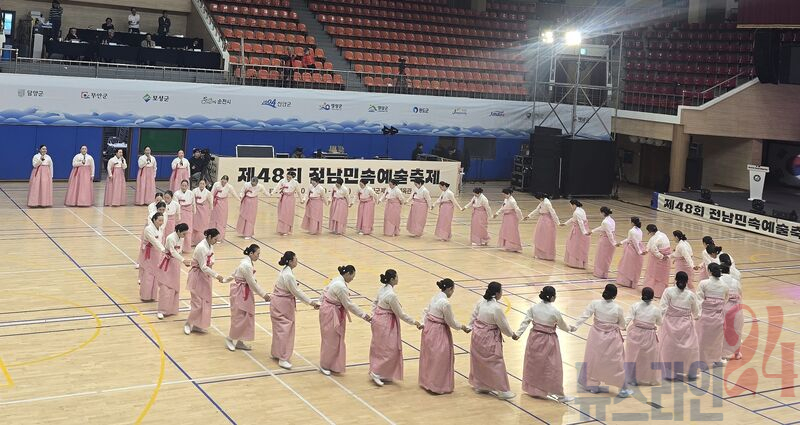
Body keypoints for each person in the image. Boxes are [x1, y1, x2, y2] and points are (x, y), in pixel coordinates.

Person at [515, 286, 575, 402]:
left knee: (534, 364)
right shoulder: (554, 311)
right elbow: (563, 326)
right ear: (552, 297)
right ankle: (559, 394)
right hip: (549, 341)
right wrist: (570, 328)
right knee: (552, 367)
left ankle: (534, 389)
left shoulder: (534, 308)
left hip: (534, 339)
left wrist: (518, 334)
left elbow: (525, 321)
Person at [573, 284, 633, 397]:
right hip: (612, 338)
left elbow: (584, 316)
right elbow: (622, 325)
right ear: (615, 296)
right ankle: (622, 388)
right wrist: (628, 320)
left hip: (595, 336)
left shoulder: (595, 303)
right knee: (616, 362)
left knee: (593, 360)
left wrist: (575, 326)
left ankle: (592, 385)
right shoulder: (617, 308)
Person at [369, 269, 423, 386]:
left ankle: (382, 372)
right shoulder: (391, 295)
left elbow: (375, 302)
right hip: (386, 323)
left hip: (378, 319)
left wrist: (373, 315)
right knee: (389, 349)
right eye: (397, 277)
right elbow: (400, 313)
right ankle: (377, 372)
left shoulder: (382, 288)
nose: (398, 278)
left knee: (379, 347)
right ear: (392, 279)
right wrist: (414, 322)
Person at [419, 278, 471, 394]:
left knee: (430, 356)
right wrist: (462, 327)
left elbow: (426, 311)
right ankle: (437, 385)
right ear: (449, 289)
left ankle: (427, 382)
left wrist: (423, 322)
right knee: (441, 358)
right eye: (453, 290)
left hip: (429, 329)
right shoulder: (445, 303)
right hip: (438, 331)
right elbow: (451, 321)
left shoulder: (435, 297)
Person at [318, 265, 371, 375]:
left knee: (335, 339)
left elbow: (325, 290)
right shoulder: (341, 286)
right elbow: (349, 305)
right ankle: (325, 365)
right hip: (331, 313)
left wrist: (320, 302)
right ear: (347, 274)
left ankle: (333, 364)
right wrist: (363, 315)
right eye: (352, 276)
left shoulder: (337, 279)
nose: (352, 279)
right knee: (330, 339)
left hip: (331, 310)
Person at [271, 251, 320, 369]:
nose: (297, 261)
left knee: (280, 330)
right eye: (295, 259)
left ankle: (277, 353)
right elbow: (296, 292)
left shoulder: (285, 271)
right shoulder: (288, 275)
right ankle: (283, 358)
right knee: (285, 330)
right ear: (290, 261)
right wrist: (311, 302)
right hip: (282, 305)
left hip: (278, 302)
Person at [468, 282, 515, 400]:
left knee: (479, 361)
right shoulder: (496, 308)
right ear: (497, 293)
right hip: (489, 337)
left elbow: (474, 316)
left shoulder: (481, 301)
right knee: (496, 362)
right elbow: (503, 325)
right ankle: (502, 390)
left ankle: (481, 385)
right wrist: (512, 334)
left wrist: (469, 326)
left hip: (477, 335)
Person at [224, 244, 270, 351]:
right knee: (239, 316)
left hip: (245, 291)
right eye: (257, 254)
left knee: (245, 317)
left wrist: (226, 280)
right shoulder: (246, 265)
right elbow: (252, 283)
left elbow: (234, 273)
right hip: (241, 292)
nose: (258, 256)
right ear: (251, 253)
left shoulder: (247, 262)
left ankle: (240, 341)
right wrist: (264, 295)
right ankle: (230, 338)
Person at [659, 271, 700, 380]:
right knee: (689, 348)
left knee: (669, 348)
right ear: (687, 282)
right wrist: (696, 317)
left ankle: (669, 371)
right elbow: (696, 312)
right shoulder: (691, 295)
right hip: (686, 325)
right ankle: (691, 371)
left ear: (675, 280)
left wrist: (658, 321)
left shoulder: (668, 291)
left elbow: (662, 308)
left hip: (670, 324)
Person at [184, 228, 225, 335]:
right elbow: (203, 266)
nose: (216, 241)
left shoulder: (210, 245)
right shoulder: (201, 247)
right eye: (215, 239)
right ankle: (188, 323)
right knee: (197, 302)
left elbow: (211, 260)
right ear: (209, 237)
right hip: (197, 276)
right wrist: (216, 275)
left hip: (206, 276)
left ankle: (198, 325)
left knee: (205, 301)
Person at [624, 287, 662, 386]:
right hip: (649, 335)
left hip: (635, 333)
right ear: (652, 297)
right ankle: (648, 378)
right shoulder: (656, 309)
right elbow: (660, 323)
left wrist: (623, 326)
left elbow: (628, 318)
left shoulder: (635, 306)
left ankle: (632, 378)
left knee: (633, 357)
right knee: (649, 358)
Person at [696, 263, 729, 370]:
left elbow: (699, 299)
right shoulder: (724, 285)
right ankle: (716, 359)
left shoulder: (703, 283)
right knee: (717, 340)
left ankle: (701, 361)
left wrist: (698, 313)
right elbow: (725, 299)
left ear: (709, 271)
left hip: (705, 316)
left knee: (702, 339)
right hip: (718, 317)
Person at [156, 223, 191, 319]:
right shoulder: (170, 238)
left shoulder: (181, 238)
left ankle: (171, 309)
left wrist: (182, 260)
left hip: (175, 263)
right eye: (184, 233)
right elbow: (173, 252)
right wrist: (183, 260)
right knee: (165, 287)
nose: (185, 235)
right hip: (167, 263)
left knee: (174, 286)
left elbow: (179, 252)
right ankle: (161, 310)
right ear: (178, 231)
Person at [719, 257, 743, 361]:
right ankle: (737, 353)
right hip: (736, 307)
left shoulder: (719, 281)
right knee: (736, 330)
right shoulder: (735, 281)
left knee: (723, 331)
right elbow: (740, 293)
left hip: (724, 307)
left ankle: (723, 353)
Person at [139, 212, 166, 302]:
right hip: (149, 253)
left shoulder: (161, 229)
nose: (161, 222)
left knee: (155, 273)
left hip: (157, 253)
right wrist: (163, 249)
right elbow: (154, 241)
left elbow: (161, 240)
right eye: (159, 220)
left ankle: (153, 296)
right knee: (148, 273)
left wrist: (163, 249)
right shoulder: (148, 229)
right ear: (154, 220)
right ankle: (145, 296)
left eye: (162, 220)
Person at [524, 192, 559, 260]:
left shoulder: (547, 203)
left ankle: (546, 255)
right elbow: (537, 210)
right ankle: (540, 254)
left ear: (541, 198)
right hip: (542, 220)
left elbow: (553, 212)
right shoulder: (542, 202)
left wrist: (557, 222)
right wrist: (529, 216)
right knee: (540, 236)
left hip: (547, 221)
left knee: (545, 237)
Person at [642, 224, 672, 297]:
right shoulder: (663, 234)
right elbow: (651, 243)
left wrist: (661, 256)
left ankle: (655, 291)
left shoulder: (655, 238)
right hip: (666, 258)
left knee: (654, 274)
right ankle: (661, 291)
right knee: (663, 275)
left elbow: (653, 249)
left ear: (650, 231)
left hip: (658, 259)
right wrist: (647, 249)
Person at [615, 217, 644, 288]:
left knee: (627, 265)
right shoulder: (640, 230)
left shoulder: (631, 231)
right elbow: (630, 239)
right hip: (638, 248)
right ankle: (632, 282)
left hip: (632, 249)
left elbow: (635, 242)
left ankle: (626, 281)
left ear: (632, 223)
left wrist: (639, 252)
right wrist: (621, 242)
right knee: (634, 266)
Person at [561, 199, 590, 269]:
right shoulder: (582, 210)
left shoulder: (576, 212)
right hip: (582, 229)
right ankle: (579, 262)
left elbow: (580, 222)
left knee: (574, 246)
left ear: (574, 205)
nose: (571, 207)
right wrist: (565, 223)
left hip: (578, 232)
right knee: (579, 246)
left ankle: (575, 262)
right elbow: (574, 219)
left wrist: (584, 232)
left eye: (571, 205)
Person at [209, 175, 239, 241]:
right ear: (221, 180)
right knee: (213, 219)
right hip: (216, 202)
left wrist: (239, 200)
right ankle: (211, 235)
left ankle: (219, 237)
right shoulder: (216, 184)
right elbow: (212, 193)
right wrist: (211, 203)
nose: (223, 183)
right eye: (222, 181)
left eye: (225, 182)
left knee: (221, 220)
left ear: (227, 182)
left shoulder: (229, 187)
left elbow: (234, 194)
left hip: (223, 203)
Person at [492, 188, 522, 252]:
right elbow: (503, 207)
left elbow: (517, 209)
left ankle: (513, 246)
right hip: (506, 217)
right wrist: (497, 213)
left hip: (512, 217)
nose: (504, 196)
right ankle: (507, 245)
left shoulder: (512, 201)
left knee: (511, 231)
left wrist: (521, 217)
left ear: (509, 194)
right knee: (505, 230)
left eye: (505, 194)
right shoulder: (506, 199)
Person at [591, 207, 617, 279]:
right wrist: (592, 231)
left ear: (603, 213)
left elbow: (609, 233)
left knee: (602, 257)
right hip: (610, 239)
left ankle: (600, 273)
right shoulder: (611, 220)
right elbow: (603, 227)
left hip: (606, 241)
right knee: (606, 257)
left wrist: (613, 243)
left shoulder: (605, 222)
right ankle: (604, 272)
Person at [274, 171, 300, 236]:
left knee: (288, 214)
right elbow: (277, 187)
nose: (288, 178)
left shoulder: (295, 183)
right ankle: (281, 229)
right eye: (287, 176)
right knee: (282, 213)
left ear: (292, 177)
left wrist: (302, 199)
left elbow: (298, 191)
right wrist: (272, 193)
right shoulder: (282, 181)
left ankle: (287, 230)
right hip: (283, 198)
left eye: (289, 177)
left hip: (290, 199)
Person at [174, 180, 195, 252]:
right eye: (182, 185)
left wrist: (194, 211)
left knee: (188, 230)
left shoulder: (191, 193)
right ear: (180, 185)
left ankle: (187, 248)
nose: (184, 187)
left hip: (189, 213)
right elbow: (176, 205)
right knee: (180, 229)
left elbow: (193, 203)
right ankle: (178, 247)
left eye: (185, 186)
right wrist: (178, 214)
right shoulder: (176, 193)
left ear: (187, 186)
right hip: (180, 212)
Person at [191, 179, 212, 246]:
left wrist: (210, 211)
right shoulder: (194, 191)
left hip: (204, 210)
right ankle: (193, 241)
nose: (202, 185)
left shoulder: (208, 193)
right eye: (200, 183)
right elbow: (192, 200)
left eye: (203, 184)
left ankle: (202, 241)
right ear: (198, 184)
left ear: (205, 184)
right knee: (195, 225)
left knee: (203, 225)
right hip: (196, 209)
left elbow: (211, 202)